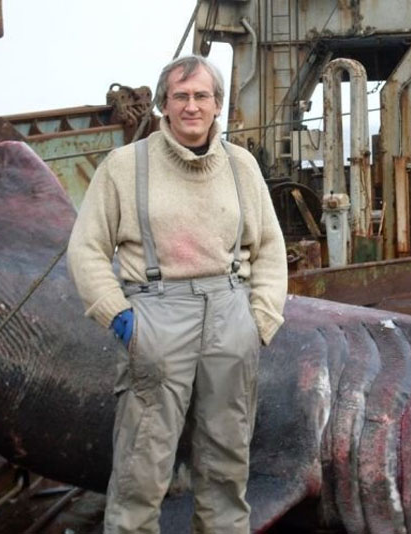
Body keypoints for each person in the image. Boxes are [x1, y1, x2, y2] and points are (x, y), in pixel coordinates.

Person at [67, 55, 287, 533]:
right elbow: (85, 249)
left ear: (217, 105)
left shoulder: (240, 165)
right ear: (164, 105)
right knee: (142, 464)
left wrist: (260, 321)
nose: (192, 106)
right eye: (181, 96)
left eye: (201, 96)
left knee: (227, 464)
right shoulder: (125, 166)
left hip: (230, 312)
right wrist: (121, 318)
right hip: (156, 313)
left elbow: (270, 247)